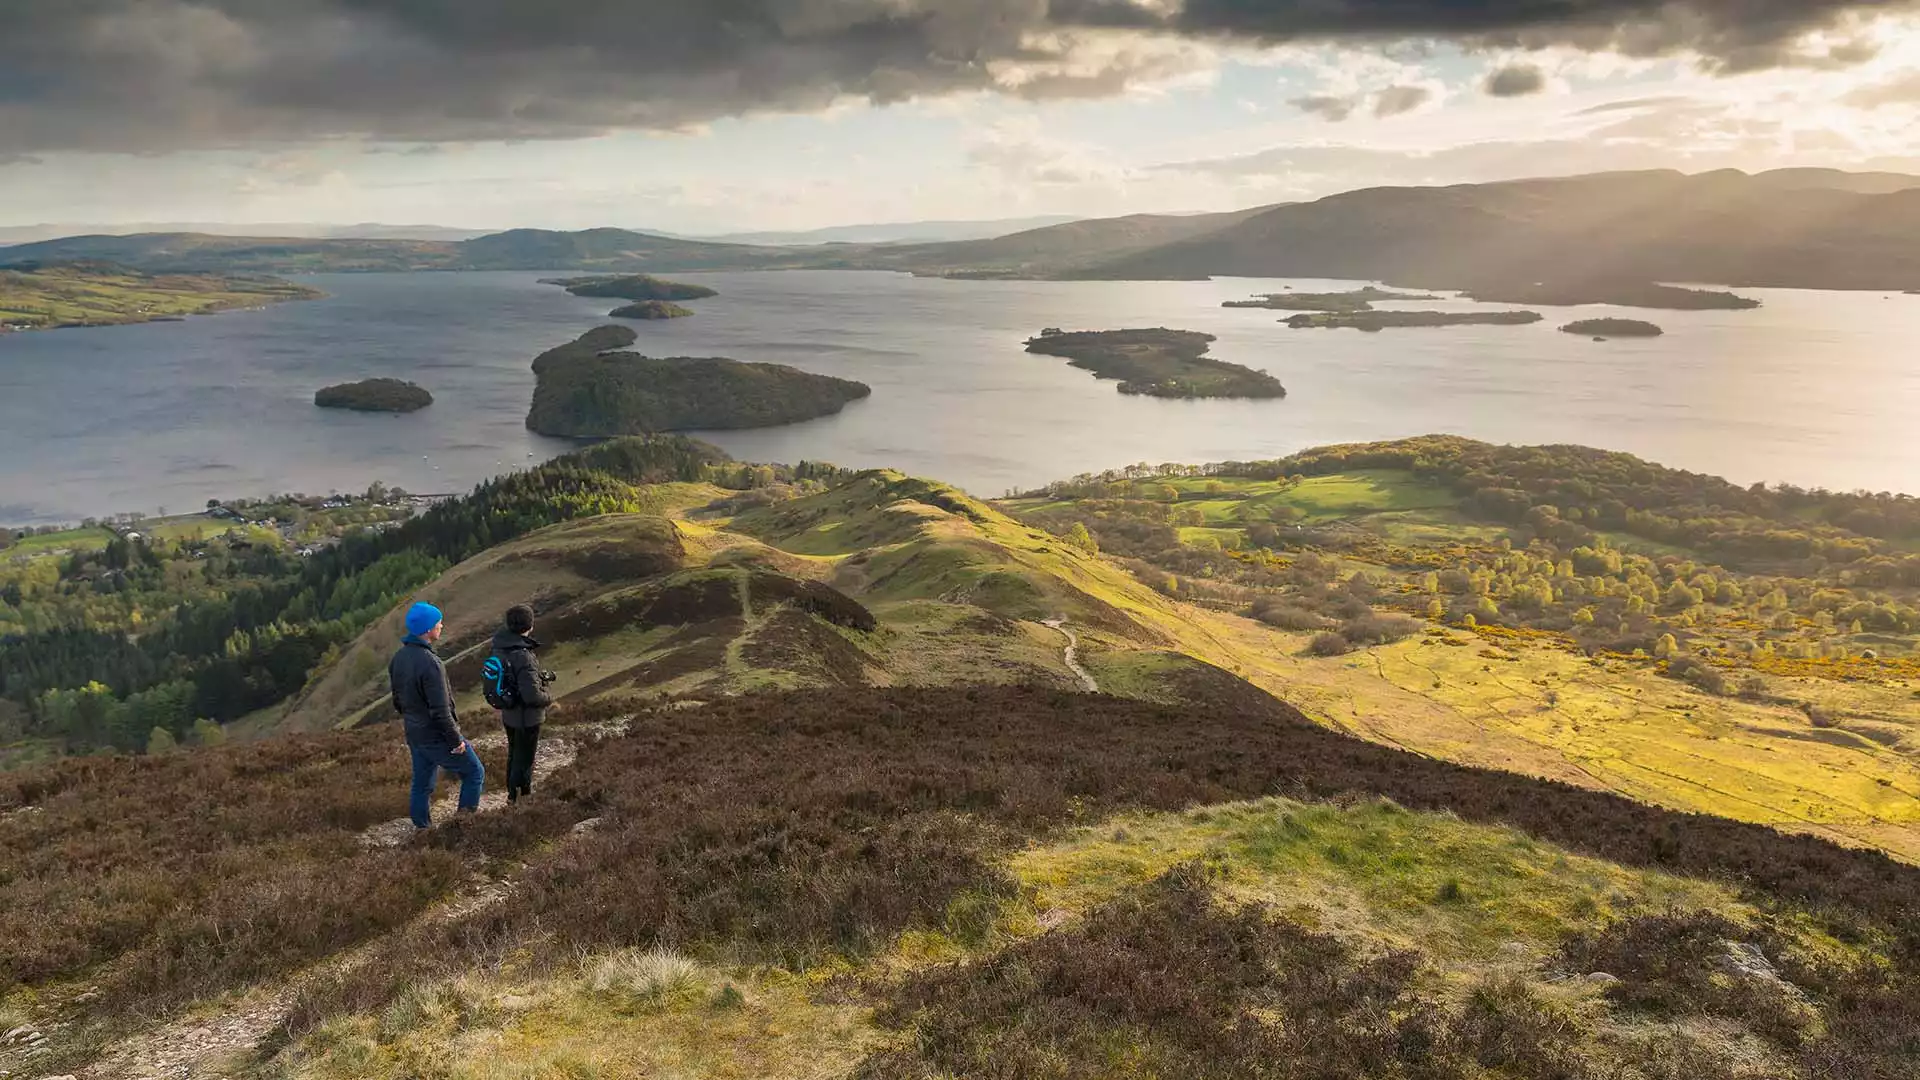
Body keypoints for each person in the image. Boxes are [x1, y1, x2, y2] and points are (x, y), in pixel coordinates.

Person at [389, 600, 483, 827]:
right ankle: (463, 826)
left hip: (414, 733)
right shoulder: (431, 663)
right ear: (428, 629)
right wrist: (455, 740)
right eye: (439, 623)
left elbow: (397, 701)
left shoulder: (398, 659)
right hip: (435, 735)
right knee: (474, 772)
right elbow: (440, 710)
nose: (442, 626)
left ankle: (422, 828)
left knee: (422, 784)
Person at [492, 604, 553, 804]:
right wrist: (548, 697)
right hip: (527, 717)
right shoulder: (524, 656)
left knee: (514, 753)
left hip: (509, 713)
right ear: (530, 626)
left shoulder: (500, 647)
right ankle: (522, 797)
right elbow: (532, 696)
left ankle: (511, 793)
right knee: (525, 758)